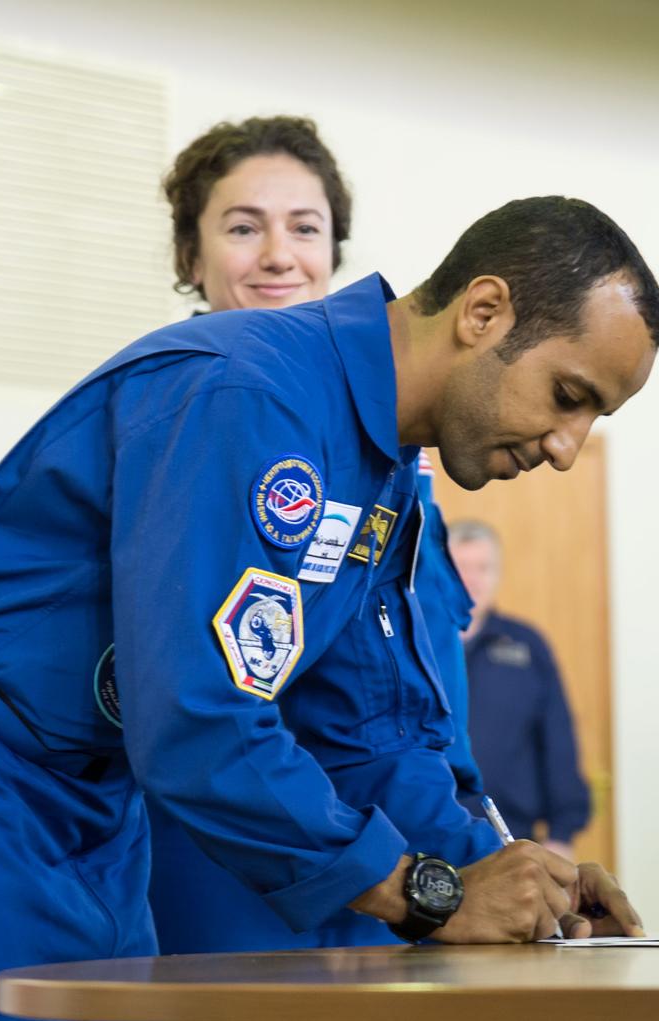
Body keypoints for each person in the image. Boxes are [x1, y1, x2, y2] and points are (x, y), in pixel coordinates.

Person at [0, 195, 659, 1021]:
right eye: (568, 396)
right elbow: (201, 721)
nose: (566, 447)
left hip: (90, 803)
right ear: (483, 312)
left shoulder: (381, 471)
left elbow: (362, 734)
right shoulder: (248, 392)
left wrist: (509, 880)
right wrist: (428, 893)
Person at [149, 115, 485, 953]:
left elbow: (416, 704)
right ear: (191, 259)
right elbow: (202, 704)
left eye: (305, 228)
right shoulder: (187, 417)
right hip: (234, 872)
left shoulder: (393, 464)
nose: (278, 255)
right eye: (241, 227)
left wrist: (481, 852)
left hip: (389, 869)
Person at [449, 519, 591, 858]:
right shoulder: (413, 642)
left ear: (497, 575)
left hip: (511, 841)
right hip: (422, 836)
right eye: (461, 566)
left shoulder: (526, 646)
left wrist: (562, 833)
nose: (472, 579)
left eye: (483, 568)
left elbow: (557, 739)